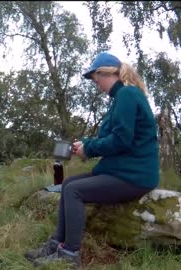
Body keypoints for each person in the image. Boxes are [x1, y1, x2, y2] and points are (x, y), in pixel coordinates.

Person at [24, 52, 160, 268]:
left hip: (135, 175)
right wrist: (87, 144)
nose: (98, 86)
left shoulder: (127, 95)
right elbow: (112, 136)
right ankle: (55, 245)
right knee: (67, 184)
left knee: (73, 191)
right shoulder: (121, 98)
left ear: (106, 74)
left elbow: (122, 140)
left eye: (98, 81)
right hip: (123, 171)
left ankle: (69, 255)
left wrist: (91, 147)